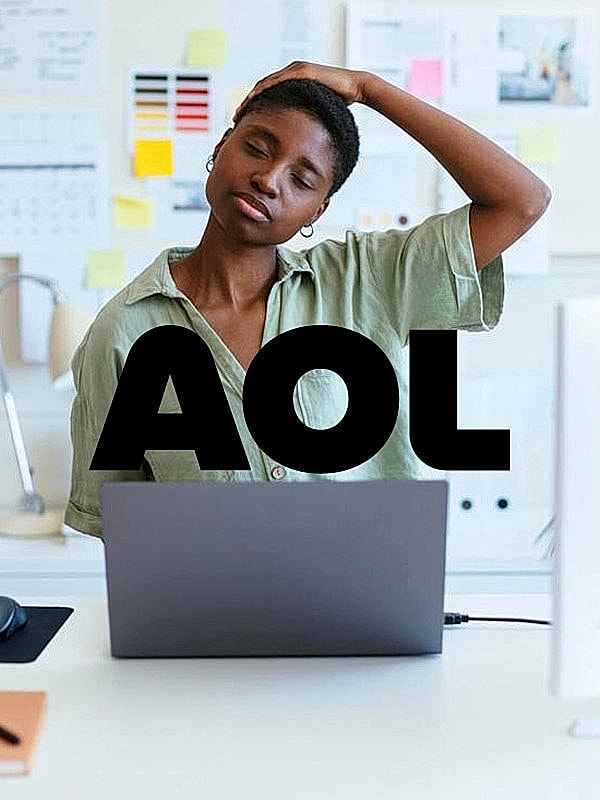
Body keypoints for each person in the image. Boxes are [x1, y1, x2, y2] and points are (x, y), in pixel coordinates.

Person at [65, 61, 550, 537]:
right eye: (257, 149)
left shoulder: (368, 281)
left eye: (302, 180)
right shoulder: (121, 334)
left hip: (372, 607)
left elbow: (520, 200)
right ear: (220, 148)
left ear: (317, 209)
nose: (269, 179)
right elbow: (129, 529)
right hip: (218, 615)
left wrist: (369, 88)